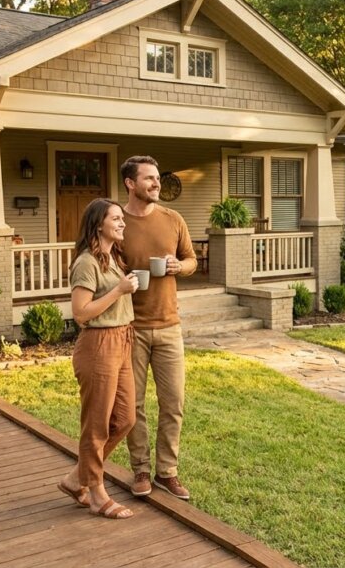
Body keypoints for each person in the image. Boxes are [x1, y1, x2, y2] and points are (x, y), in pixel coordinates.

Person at [120, 155, 197, 500]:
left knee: (173, 401)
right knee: (133, 405)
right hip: (131, 328)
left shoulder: (173, 219)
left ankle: (167, 471)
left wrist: (179, 266)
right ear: (130, 184)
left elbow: (192, 260)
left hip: (169, 326)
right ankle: (140, 470)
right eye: (148, 179)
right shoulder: (116, 221)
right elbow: (101, 262)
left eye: (157, 179)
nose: (156, 184)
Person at [56, 198, 139, 520]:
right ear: (98, 224)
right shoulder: (87, 262)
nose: (122, 223)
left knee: (125, 418)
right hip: (98, 345)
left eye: (122, 218)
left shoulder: (112, 258)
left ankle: (77, 478)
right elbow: (80, 313)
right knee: (97, 425)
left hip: (122, 341)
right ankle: (95, 492)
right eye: (116, 219)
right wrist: (118, 291)